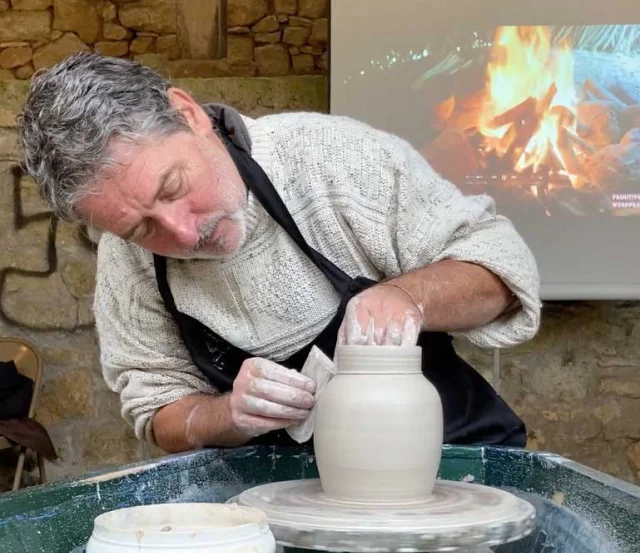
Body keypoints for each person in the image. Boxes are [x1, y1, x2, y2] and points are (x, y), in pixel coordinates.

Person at [18, 52, 541, 454]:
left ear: (188, 113)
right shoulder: (127, 263)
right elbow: (157, 410)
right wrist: (227, 416)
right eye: (140, 227)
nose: (181, 232)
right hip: (278, 501)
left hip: (451, 464)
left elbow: (499, 267)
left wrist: (410, 297)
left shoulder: (330, 158)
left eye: (173, 188)